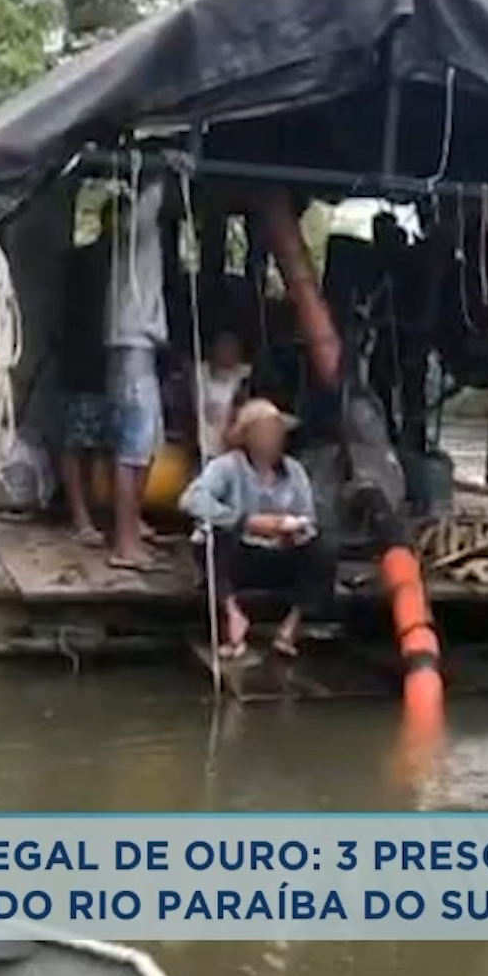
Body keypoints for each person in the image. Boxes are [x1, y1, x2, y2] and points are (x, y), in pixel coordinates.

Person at [178, 399, 336, 662]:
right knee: (212, 540)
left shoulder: (294, 471)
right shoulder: (227, 466)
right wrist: (246, 521)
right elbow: (191, 501)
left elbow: (309, 518)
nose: (273, 440)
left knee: (325, 547)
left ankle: (291, 627)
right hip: (241, 556)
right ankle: (233, 616)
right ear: (249, 436)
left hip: (280, 555)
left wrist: (291, 529)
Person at [104, 176, 173, 572]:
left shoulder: (133, 234)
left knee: (148, 444)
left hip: (137, 346)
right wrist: (166, 167)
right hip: (133, 346)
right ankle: (125, 543)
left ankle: (133, 525)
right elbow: (152, 197)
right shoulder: (135, 224)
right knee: (132, 449)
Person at [56, 231, 112, 547]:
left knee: (94, 446)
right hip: (80, 361)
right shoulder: (82, 262)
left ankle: (90, 510)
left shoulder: (121, 266)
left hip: (106, 363)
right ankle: (80, 515)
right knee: (75, 444)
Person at [196, 330, 253, 462]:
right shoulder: (198, 373)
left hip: (233, 452)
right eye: (224, 345)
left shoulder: (246, 375)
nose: (228, 350)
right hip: (203, 452)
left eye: (233, 346)